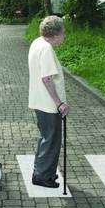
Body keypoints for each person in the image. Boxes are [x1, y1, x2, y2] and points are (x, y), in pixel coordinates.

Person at [28, 16, 69, 188]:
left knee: (46, 138)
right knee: (51, 141)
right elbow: (47, 79)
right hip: (48, 104)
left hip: (39, 101)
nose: (64, 36)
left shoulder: (37, 42)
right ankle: (42, 176)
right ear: (55, 34)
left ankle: (44, 172)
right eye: (63, 33)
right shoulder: (46, 49)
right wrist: (59, 103)